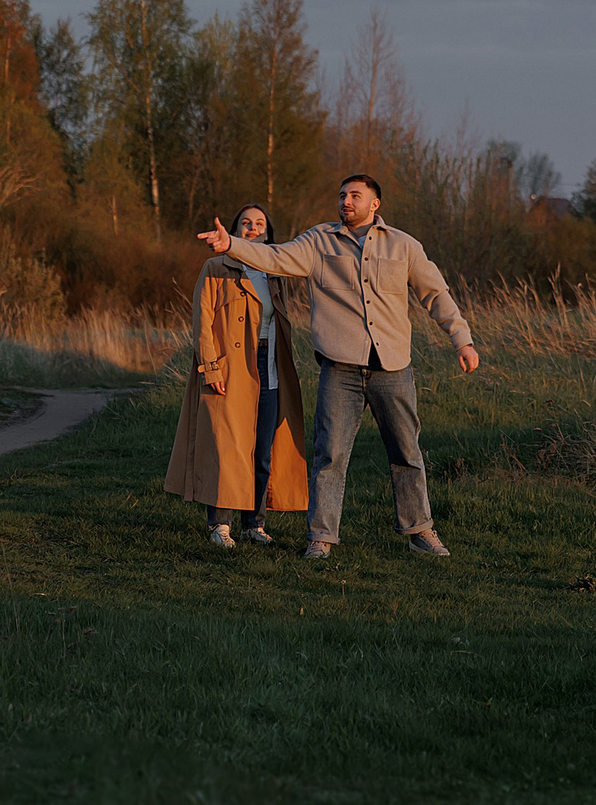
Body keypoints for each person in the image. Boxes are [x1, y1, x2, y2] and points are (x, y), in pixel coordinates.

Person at [198, 174, 479, 560]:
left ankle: (420, 532)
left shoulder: (404, 245)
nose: (346, 201)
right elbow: (275, 257)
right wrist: (232, 244)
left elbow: (436, 293)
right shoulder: (318, 241)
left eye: (355, 196)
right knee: (329, 456)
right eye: (343, 195)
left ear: (374, 204)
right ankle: (321, 538)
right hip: (339, 370)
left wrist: (462, 339)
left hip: (393, 369)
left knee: (407, 454)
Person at [165, 204, 311, 548]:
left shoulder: (276, 272)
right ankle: (220, 525)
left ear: (268, 234)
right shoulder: (217, 267)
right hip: (231, 367)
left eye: (259, 224)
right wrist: (210, 367)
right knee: (227, 449)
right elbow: (202, 322)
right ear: (233, 231)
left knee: (262, 451)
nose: (252, 228)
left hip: (269, 365)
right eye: (245, 223)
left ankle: (253, 525)